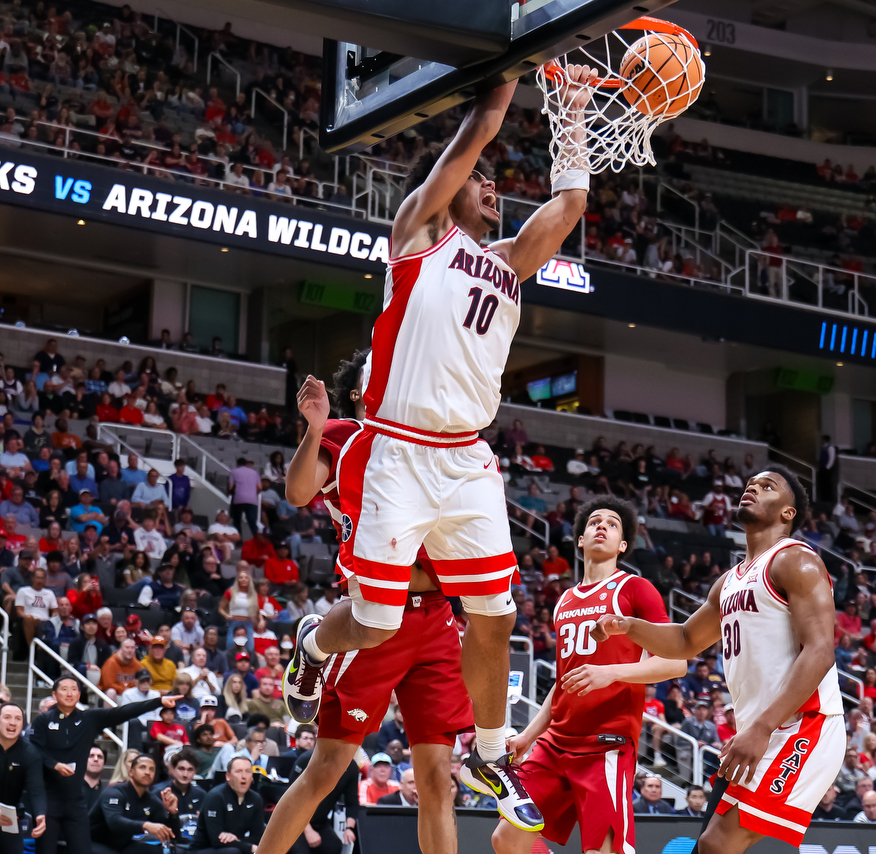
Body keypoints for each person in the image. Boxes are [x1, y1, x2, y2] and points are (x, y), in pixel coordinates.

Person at [284, 69, 596, 833]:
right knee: (374, 623)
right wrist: (501, 89)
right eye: (482, 183)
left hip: (466, 458)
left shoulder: (510, 263)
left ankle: (489, 753)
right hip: (398, 452)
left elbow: (570, 206)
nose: (492, 189)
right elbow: (467, 144)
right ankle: (312, 641)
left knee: (496, 613)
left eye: (496, 186)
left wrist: (574, 117)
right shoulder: (417, 236)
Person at [257, 353, 471, 854]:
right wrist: (313, 429)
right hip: (377, 610)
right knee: (328, 767)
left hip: (438, 618)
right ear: (357, 393)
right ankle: (314, 643)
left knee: (439, 778)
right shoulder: (342, 432)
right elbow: (296, 492)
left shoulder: (429, 438)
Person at [591, 465, 842, 852]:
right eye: (750, 484)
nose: (752, 488)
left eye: (767, 486)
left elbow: (821, 650)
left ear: (787, 512)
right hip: (760, 729)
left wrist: (760, 728)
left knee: (715, 845)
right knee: (709, 846)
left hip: (805, 725)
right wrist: (629, 626)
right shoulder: (730, 580)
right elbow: (686, 639)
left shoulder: (795, 561)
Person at [492, 497, 684, 854]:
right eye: (595, 522)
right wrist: (528, 737)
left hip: (605, 743)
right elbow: (564, 682)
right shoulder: (564, 600)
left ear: (623, 545)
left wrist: (610, 673)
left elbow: (677, 663)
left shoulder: (634, 589)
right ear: (579, 539)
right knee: (506, 839)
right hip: (554, 744)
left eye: (612, 525)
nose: (602, 527)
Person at [32, 675, 179, 854]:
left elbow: (123, 712)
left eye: (73, 689)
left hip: (75, 802)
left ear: (79, 695)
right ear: (54, 695)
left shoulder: (90, 718)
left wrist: (158, 701)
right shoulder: (43, 720)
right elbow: (33, 750)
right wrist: (54, 764)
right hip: (49, 799)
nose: (69, 693)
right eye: (64, 689)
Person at [88, 753, 180, 854]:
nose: (147, 772)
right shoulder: (115, 792)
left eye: (151, 769)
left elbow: (173, 835)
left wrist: (173, 813)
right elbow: (114, 822)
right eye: (142, 767)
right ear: (131, 772)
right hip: (92, 842)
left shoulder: (151, 800)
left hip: (123, 845)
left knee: (159, 851)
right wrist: (145, 825)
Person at [189, 755, 265, 854]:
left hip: (234, 847)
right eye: (238, 771)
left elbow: (258, 837)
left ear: (252, 777)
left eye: (247, 771)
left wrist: (237, 841)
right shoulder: (215, 797)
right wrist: (248, 847)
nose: (243, 776)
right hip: (202, 849)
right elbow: (216, 840)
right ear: (228, 776)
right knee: (233, 852)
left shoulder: (256, 799)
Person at [0, 703, 46, 853]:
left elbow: (36, 789)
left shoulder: (30, 753)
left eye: (18, 718)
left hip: (10, 819)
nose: (12, 722)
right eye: (7, 717)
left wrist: (40, 814)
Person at [151, 749, 206, 819]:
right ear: (173, 770)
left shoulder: (201, 794)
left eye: (190, 770)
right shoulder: (159, 793)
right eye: (181, 769)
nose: (185, 775)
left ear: (195, 772)